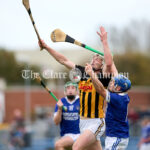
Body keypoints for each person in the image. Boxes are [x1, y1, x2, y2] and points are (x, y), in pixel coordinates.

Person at [39, 26, 118, 150]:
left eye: (98, 58)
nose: (94, 58)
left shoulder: (104, 76)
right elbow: (63, 60)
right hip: (83, 122)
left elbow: (109, 62)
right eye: (94, 57)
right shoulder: (82, 72)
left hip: (96, 121)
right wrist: (47, 47)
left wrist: (104, 42)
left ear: (101, 64)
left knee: (76, 147)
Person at [85, 63, 131, 150]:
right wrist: (109, 60)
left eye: (113, 83)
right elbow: (114, 71)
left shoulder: (117, 98)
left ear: (118, 88)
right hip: (114, 136)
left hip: (117, 137)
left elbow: (101, 90)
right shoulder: (121, 93)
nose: (111, 84)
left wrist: (91, 74)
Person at [54, 81, 80, 150]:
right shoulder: (60, 102)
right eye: (68, 88)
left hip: (81, 134)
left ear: (77, 91)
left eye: (73, 88)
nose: (70, 90)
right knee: (58, 145)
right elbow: (56, 122)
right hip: (67, 135)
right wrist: (59, 110)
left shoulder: (82, 101)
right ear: (65, 92)